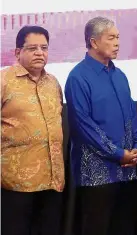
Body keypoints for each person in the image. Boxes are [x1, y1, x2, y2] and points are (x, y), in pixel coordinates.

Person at [65, 16, 137, 235]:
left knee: (125, 227)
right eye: (111, 38)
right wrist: (118, 153)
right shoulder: (78, 77)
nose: (117, 43)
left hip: (128, 170)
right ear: (94, 42)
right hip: (96, 175)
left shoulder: (120, 76)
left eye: (118, 37)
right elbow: (83, 126)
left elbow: (132, 115)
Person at [1, 25, 64, 235]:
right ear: (17, 52)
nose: (40, 53)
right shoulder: (4, 81)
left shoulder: (53, 83)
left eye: (44, 48)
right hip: (15, 183)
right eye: (32, 48)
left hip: (52, 181)